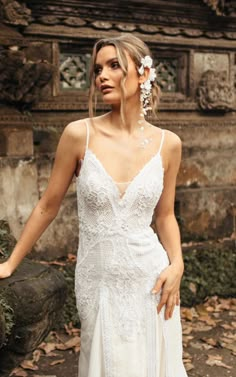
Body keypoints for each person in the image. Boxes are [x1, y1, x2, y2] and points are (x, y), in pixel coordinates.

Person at [0, 34, 188, 377]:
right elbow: (47, 206)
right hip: (97, 280)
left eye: (114, 65)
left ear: (143, 74)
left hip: (153, 279)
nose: (101, 75)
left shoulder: (169, 144)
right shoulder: (78, 135)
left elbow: (164, 216)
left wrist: (177, 264)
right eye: (97, 68)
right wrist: (11, 263)